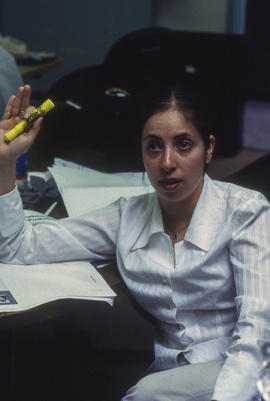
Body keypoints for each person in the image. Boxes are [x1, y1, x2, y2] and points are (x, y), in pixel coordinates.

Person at [0, 84, 269, 401]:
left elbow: (257, 336)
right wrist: (6, 161)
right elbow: (20, 246)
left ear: (208, 148)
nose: (167, 162)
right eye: (153, 147)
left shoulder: (246, 211)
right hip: (169, 378)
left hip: (247, 373)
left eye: (183, 145)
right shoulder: (128, 215)